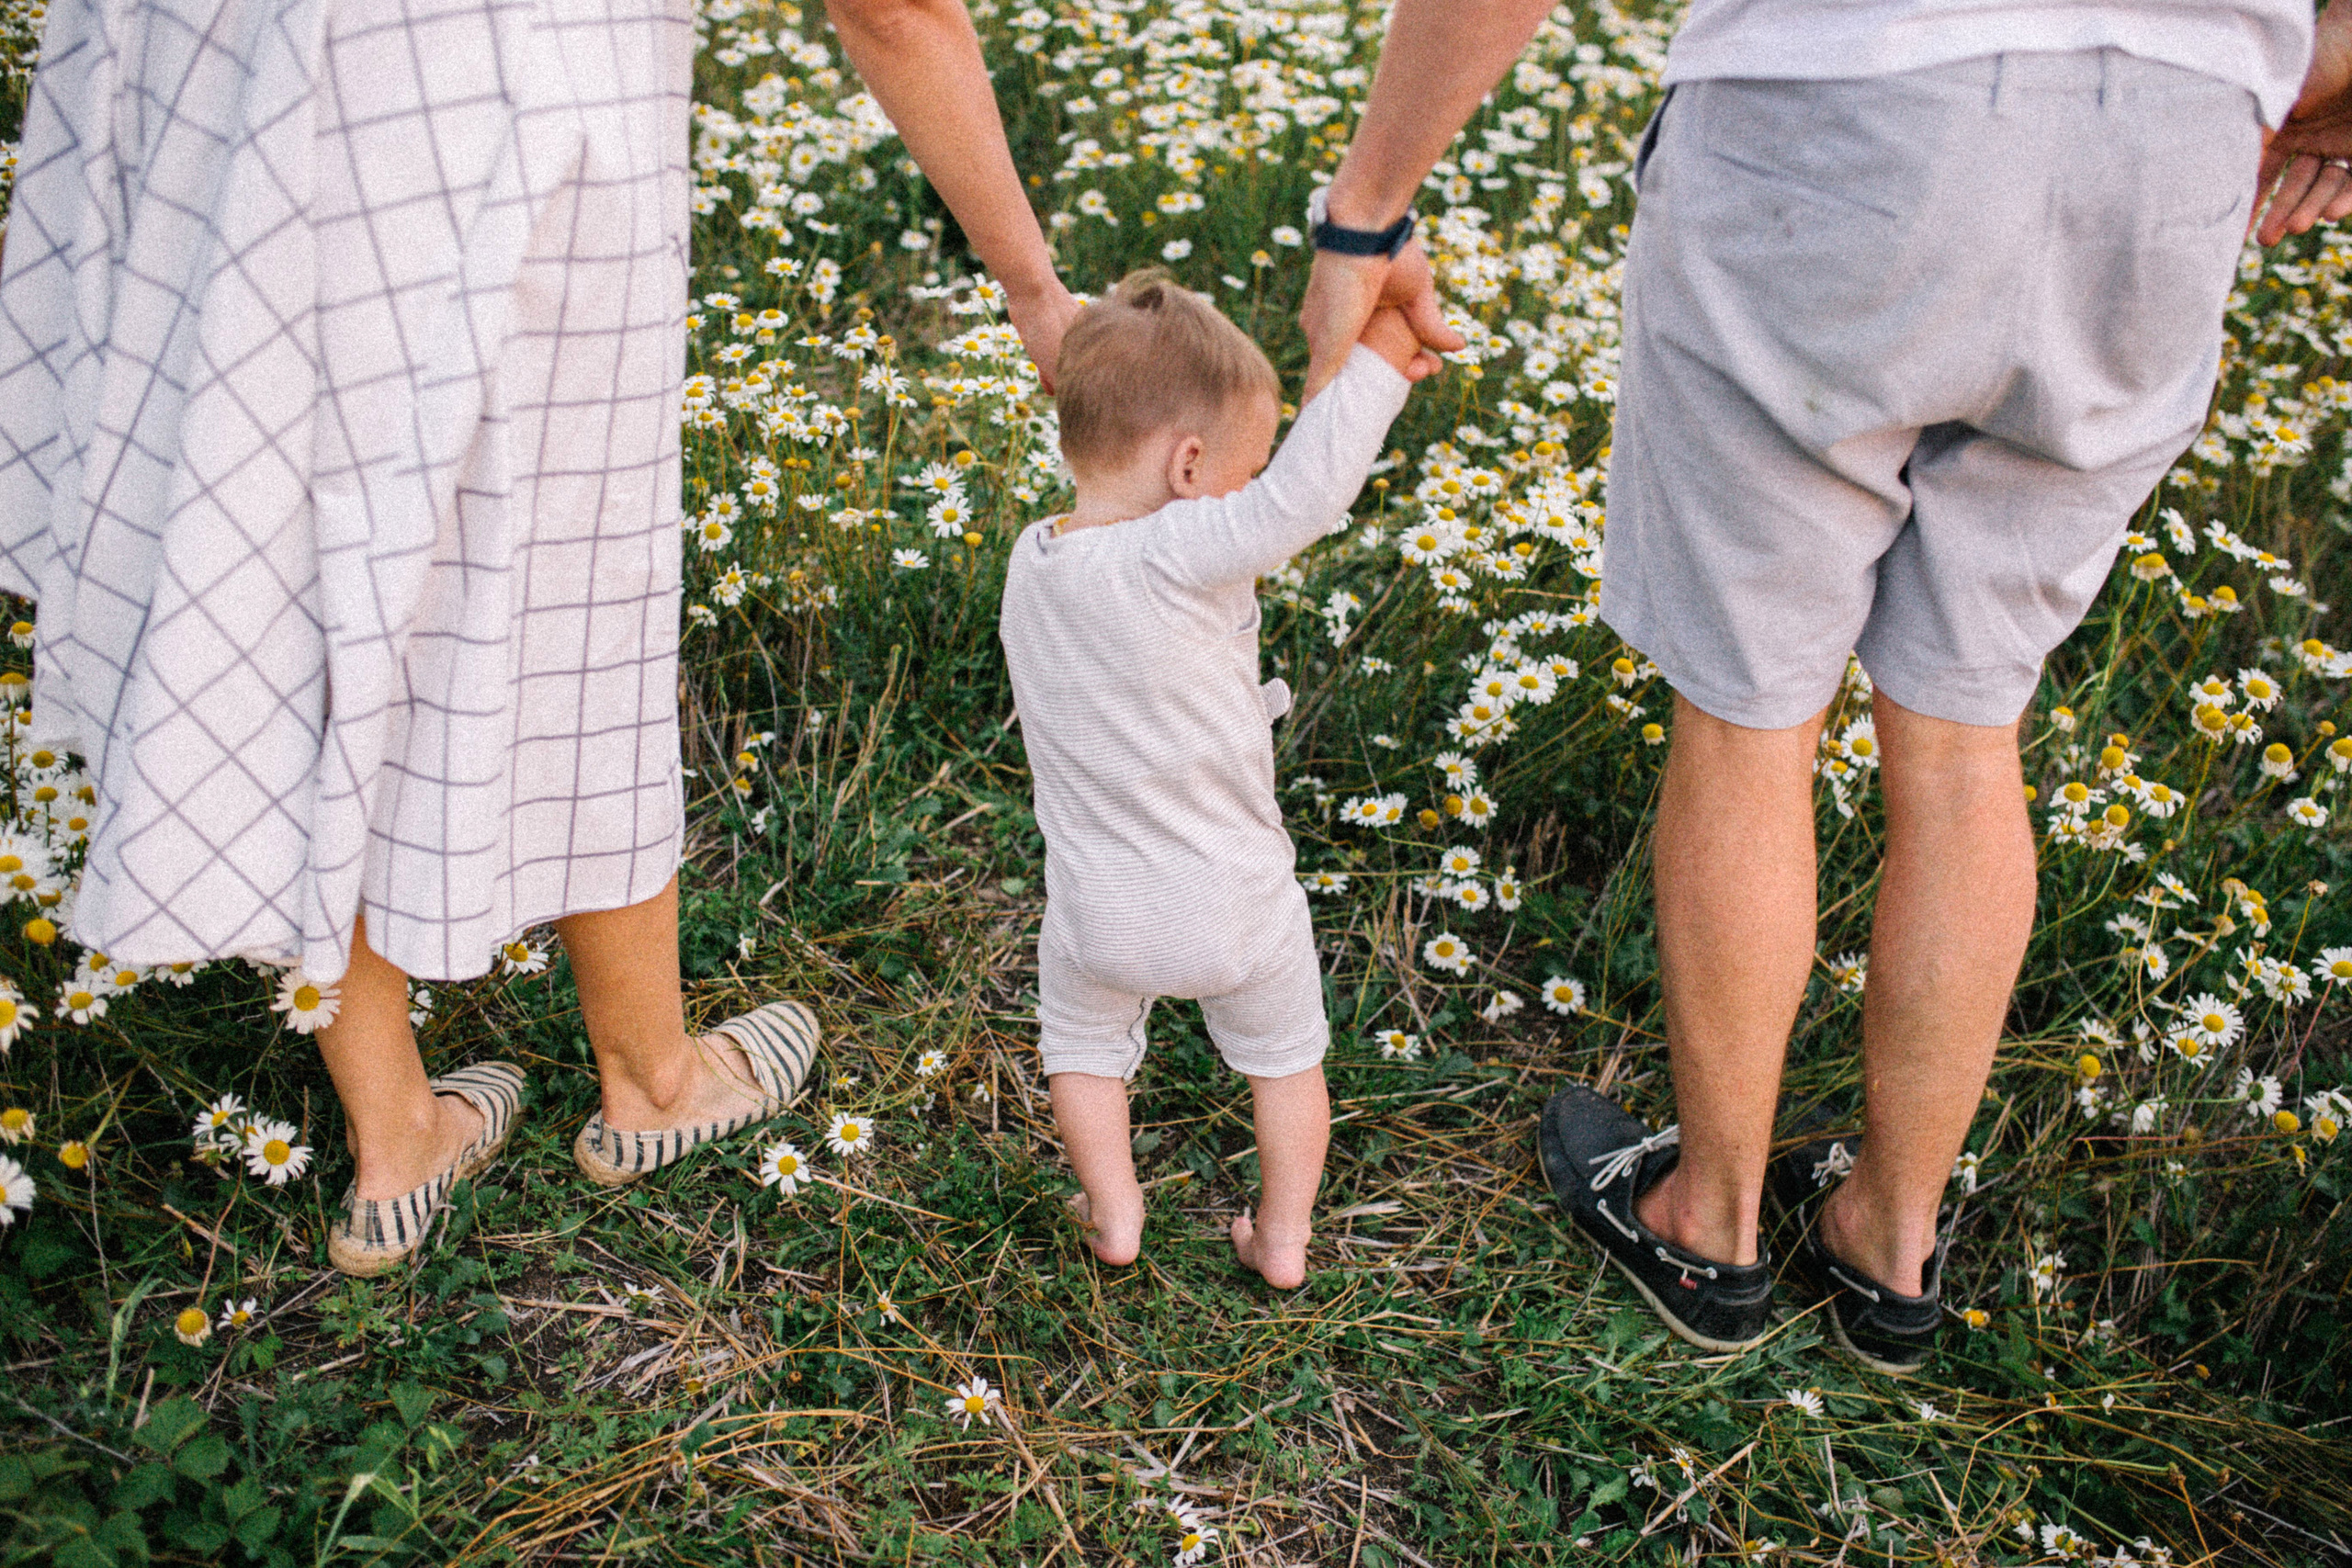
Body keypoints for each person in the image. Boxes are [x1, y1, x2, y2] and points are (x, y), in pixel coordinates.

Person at [0, 0, 818, 1276]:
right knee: (565, 572)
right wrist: (1041, 293)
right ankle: (654, 1080)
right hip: (484, 83)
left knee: (276, 546)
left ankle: (399, 1136)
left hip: (200, 68)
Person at [998, 273, 1430, 1288]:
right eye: (1244, 473)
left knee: (1083, 1049)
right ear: (1189, 466)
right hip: (1236, 898)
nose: (1249, 497)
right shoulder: (1178, 550)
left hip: (1095, 904)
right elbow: (1305, 498)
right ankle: (1281, 1239)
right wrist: (1374, 364)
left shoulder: (1032, 561)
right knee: (1284, 1063)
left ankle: (1114, 1213)